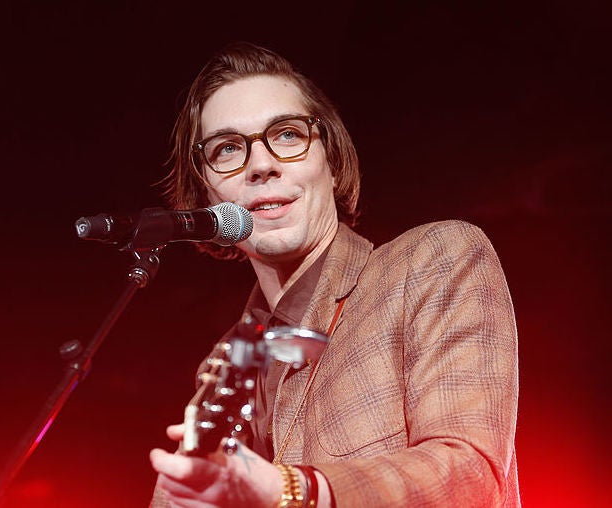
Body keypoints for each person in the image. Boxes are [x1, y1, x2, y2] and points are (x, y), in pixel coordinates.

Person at [148, 42, 520, 507]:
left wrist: (291, 489)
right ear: (206, 191)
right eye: (227, 148)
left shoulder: (433, 260)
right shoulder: (225, 367)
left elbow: (468, 476)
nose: (262, 165)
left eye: (286, 134)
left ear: (331, 157)